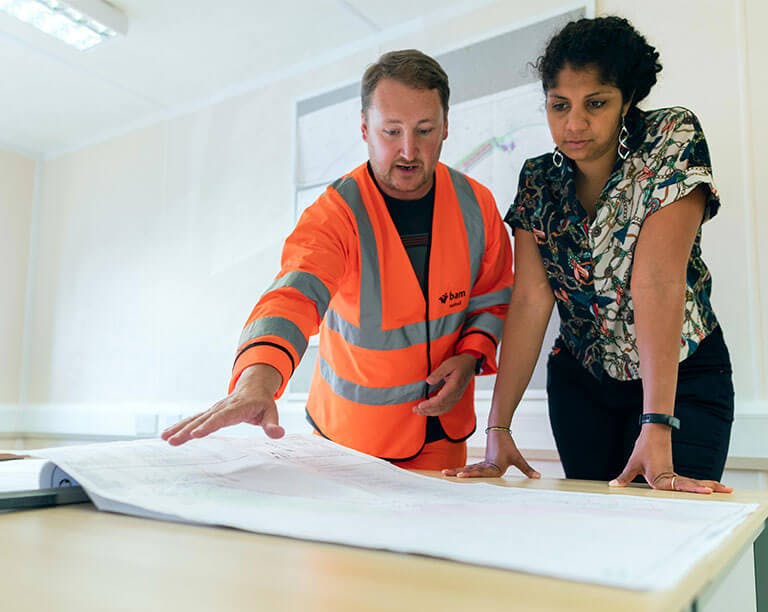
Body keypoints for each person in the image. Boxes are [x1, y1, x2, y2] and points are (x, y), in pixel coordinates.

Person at [162, 49, 514, 471]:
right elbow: (293, 296)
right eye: (391, 131)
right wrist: (257, 381)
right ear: (365, 129)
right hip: (350, 443)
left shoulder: (477, 205)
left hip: (443, 435)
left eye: (424, 130)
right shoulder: (334, 214)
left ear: (445, 129)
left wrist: (471, 355)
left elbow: (491, 298)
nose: (408, 150)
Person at [444, 16, 734, 494]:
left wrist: (657, 422)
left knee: (667, 532)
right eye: (560, 106)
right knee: (598, 541)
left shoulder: (669, 139)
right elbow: (532, 302)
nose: (574, 123)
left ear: (627, 100)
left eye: (595, 104)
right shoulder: (538, 180)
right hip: (582, 387)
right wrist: (498, 429)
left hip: (681, 381)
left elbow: (656, 282)